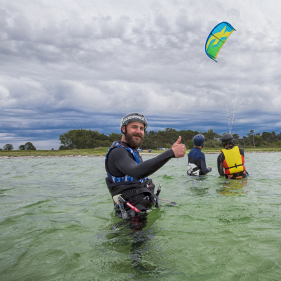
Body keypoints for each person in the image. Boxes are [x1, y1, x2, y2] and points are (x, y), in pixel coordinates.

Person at [105, 112, 186, 217]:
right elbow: (137, 172)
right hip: (130, 223)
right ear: (123, 129)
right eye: (134, 127)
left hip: (141, 212)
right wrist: (170, 153)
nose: (138, 131)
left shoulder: (131, 151)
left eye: (141, 129)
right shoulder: (118, 152)